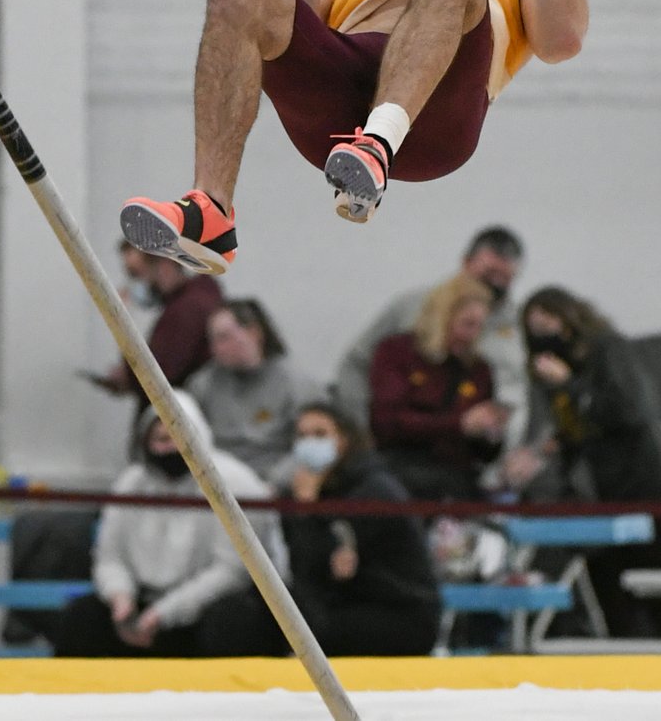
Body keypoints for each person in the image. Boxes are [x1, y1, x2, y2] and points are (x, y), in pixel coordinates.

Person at [120, 0, 587, 275]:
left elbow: (562, 39)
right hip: (337, 105)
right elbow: (286, 13)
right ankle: (211, 211)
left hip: (438, 115)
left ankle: (379, 145)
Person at [53, 391, 287, 657]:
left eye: (179, 437)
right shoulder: (131, 484)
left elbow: (232, 571)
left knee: (232, 620)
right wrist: (121, 600)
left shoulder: (237, 484)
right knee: (82, 619)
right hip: (142, 607)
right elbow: (110, 557)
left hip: (208, 608)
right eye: (161, 439)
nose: (171, 448)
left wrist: (163, 614)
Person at [513, 285, 661, 638]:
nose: (546, 338)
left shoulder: (607, 349)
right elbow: (580, 431)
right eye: (536, 331)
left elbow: (628, 411)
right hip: (598, 499)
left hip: (646, 489)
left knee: (658, 596)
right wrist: (548, 448)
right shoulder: (549, 374)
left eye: (551, 324)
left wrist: (571, 385)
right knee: (612, 600)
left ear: (571, 319)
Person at [211, 401, 441, 656]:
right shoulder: (301, 491)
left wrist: (307, 510)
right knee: (239, 612)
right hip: (339, 604)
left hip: (397, 613)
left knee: (305, 624)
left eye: (320, 434)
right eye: (302, 436)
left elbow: (320, 563)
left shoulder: (374, 491)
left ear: (344, 440)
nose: (310, 443)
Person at [334, 225, 529, 457]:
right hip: (397, 446)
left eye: (505, 277)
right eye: (489, 273)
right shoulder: (412, 307)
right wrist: (361, 433)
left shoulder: (520, 326)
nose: (495, 284)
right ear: (467, 262)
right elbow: (356, 363)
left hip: (473, 455)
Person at [368, 273, 507, 501]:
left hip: (457, 477)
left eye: (480, 327)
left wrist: (491, 431)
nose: (473, 335)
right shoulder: (397, 352)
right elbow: (387, 423)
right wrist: (458, 424)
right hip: (401, 469)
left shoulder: (479, 369)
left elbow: (485, 455)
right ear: (441, 317)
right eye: (467, 324)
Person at [186, 298, 322, 481]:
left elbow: (313, 446)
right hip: (215, 481)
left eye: (224, 338)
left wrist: (274, 483)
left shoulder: (297, 384)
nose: (216, 349)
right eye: (212, 340)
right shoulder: (202, 384)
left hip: (273, 484)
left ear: (254, 333)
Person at [95, 250, 224, 419]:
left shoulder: (187, 310)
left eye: (135, 273)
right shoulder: (184, 304)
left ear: (165, 266)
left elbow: (156, 379)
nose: (133, 283)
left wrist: (120, 319)